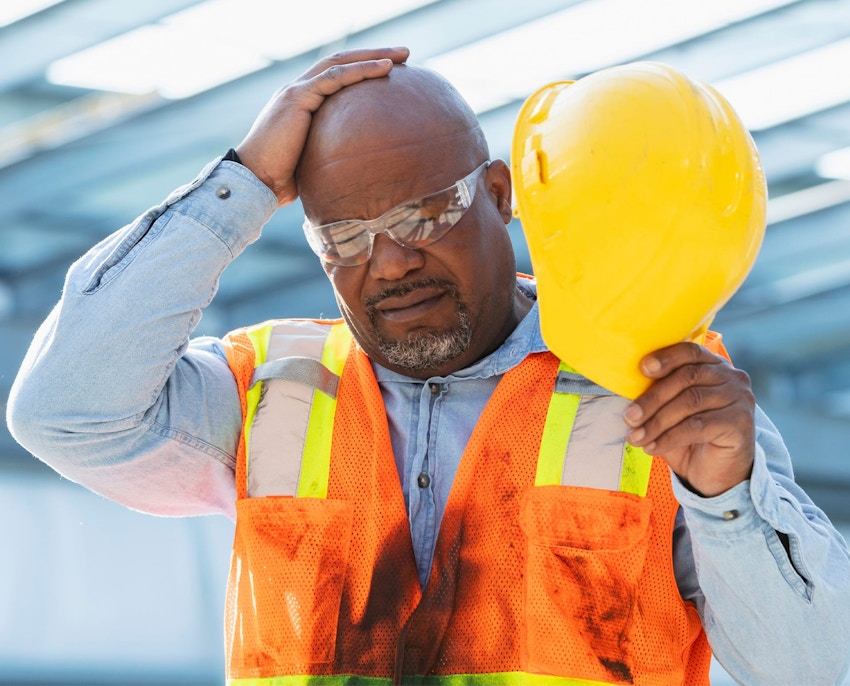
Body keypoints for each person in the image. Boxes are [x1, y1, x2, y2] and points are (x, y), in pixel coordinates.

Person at [7, 46, 850, 685]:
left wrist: (728, 501)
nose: (388, 263)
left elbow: (817, 666)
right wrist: (243, 185)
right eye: (343, 236)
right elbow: (63, 412)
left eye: (422, 216)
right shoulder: (267, 391)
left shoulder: (660, 392)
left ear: (496, 194)